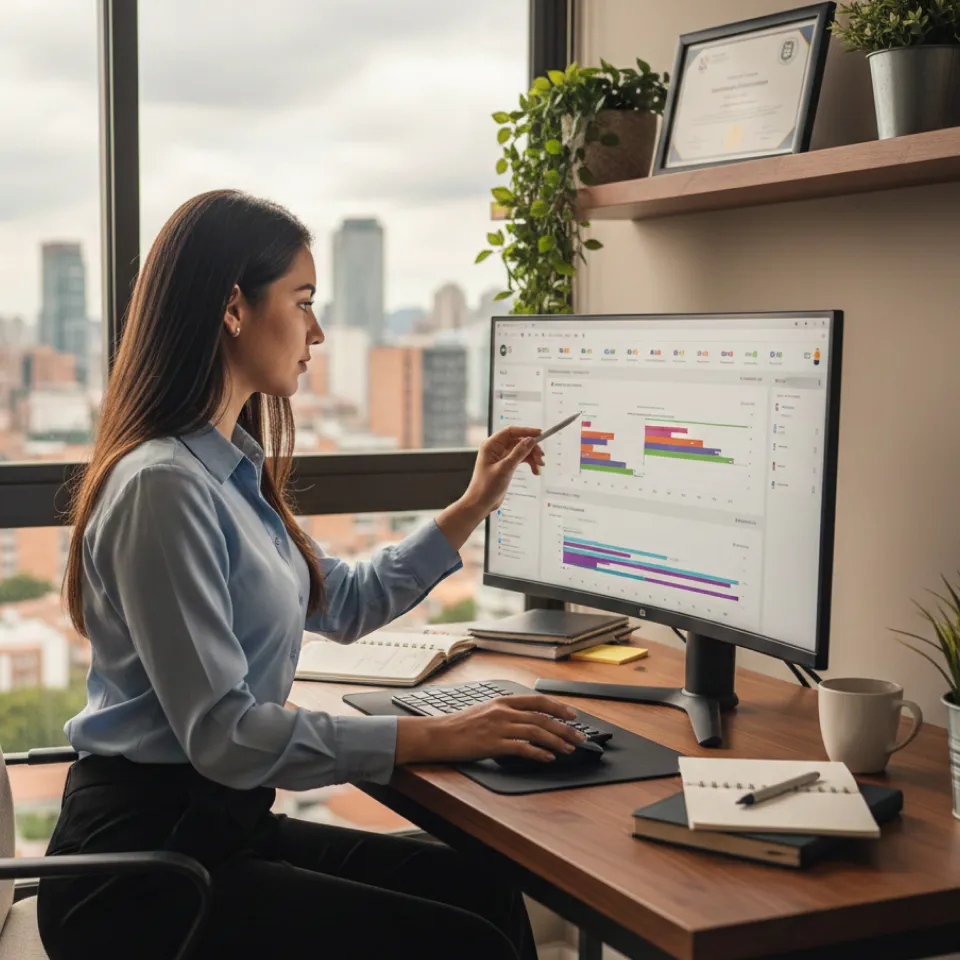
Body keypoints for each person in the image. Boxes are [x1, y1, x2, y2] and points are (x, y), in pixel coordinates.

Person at [36, 190, 586, 960]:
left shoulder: (227, 472)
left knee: (483, 888)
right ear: (234, 307)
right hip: (139, 874)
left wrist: (473, 502)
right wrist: (437, 736)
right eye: (302, 301)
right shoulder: (162, 486)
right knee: (461, 943)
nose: (317, 331)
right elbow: (226, 736)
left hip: (219, 830)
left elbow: (347, 599)